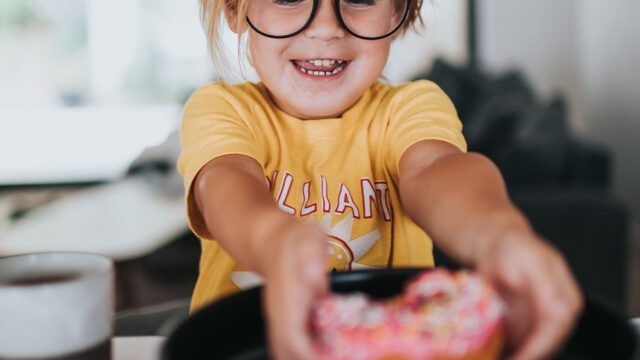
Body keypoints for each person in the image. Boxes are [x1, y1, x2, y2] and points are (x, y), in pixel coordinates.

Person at [177, 0, 584, 358]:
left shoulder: (411, 107)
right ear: (235, 7)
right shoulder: (222, 109)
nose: (325, 27)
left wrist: (497, 234)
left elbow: (436, 171)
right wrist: (274, 239)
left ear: (398, 9)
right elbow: (226, 185)